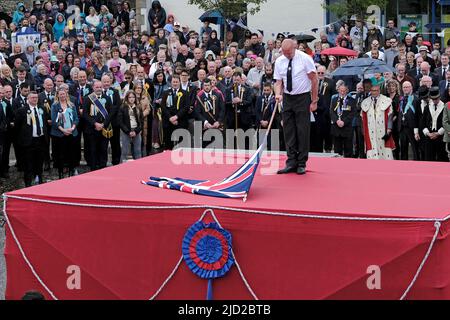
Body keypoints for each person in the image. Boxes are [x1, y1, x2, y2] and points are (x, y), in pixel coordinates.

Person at [274, 39, 318, 175]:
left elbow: (314, 79)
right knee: (288, 130)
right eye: (285, 53)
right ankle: (291, 160)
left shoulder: (305, 59)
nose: (287, 55)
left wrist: (314, 100)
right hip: (287, 97)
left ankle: (301, 162)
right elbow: (278, 82)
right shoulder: (280, 61)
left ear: (295, 47)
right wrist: (277, 94)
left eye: (289, 53)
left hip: (302, 97)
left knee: (302, 130)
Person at [14, 91, 49, 186]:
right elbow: (17, 128)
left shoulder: (42, 108)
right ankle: (28, 184)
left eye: (36, 97)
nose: (35, 99)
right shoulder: (21, 111)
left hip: (41, 140)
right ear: (28, 99)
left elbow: (45, 123)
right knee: (28, 165)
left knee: (39, 163)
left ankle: (39, 180)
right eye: (32, 98)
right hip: (29, 142)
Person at [82, 80, 115, 171]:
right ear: (93, 88)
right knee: (93, 150)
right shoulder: (88, 98)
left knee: (104, 150)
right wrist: (95, 124)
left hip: (104, 129)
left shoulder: (107, 98)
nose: (99, 89)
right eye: (97, 87)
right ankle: (93, 168)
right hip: (92, 129)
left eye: (100, 87)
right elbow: (85, 114)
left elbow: (111, 113)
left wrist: (104, 124)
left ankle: (103, 168)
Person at [361, 84, 395, 160]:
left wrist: (389, 129)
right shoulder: (365, 102)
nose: (374, 92)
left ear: (379, 91)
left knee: (384, 147)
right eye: (372, 91)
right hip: (371, 129)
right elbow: (363, 118)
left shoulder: (386, 100)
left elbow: (390, 115)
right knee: (372, 146)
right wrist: (363, 130)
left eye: (376, 90)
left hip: (383, 129)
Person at [51, 87, 79, 178]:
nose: (62, 95)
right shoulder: (55, 106)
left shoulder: (71, 105)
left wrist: (72, 128)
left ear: (66, 94)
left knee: (71, 153)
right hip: (60, 134)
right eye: (61, 94)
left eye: (64, 94)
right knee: (61, 154)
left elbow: (76, 118)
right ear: (58, 95)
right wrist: (63, 130)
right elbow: (54, 120)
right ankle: (61, 172)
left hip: (71, 132)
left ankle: (72, 170)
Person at [160, 75, 188, 150]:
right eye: (173, 82)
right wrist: (170, 118)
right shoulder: (166, 93)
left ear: (179, 82)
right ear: (171, 83)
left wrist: (176, 117)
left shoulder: (185, 93)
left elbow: (185, 107)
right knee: (168, 145)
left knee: (180, 146)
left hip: (180, 122)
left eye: (176, 82)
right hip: (168, 122)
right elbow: (163, 107)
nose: (175, 83)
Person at [194, 78, 224, 148]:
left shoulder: (218, 95)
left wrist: (219, 121)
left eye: (208, 85)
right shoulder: (199, 97)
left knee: (218, 147)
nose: (207, 87)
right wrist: (205, 122)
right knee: (206, 148)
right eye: (205, 85)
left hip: (217, 125)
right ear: (202, 86)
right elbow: (198, 112)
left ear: (211, 85)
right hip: (205, 126)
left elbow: (222, 110)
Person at [420, 87, 448, 162]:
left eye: (436, 98)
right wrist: (428, 133)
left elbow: (448, 122)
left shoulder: (445, 106)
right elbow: (422, 123)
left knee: (442, 158)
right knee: (429, 158)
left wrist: (438, 133)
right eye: (433, 99)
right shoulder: (427, 107)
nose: (435, 100)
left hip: (441, 137)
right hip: (429, 137)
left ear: (440, 97)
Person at [329, 83, 355, 158]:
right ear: (338, 90)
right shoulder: (334, 100)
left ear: (347, 91)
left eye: (344, 91)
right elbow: (331, 112)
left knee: (348, 150)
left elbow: (352, 113)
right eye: (341, 91)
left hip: (347, 129)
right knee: (337, 151)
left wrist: (344, 122)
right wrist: (337, 121)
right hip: (336, 128)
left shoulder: (352, 100)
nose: (342, 92)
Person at [397, 81, 419, 160]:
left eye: (407, 87)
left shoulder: (416, 99)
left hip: (412, 128)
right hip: (402, 127)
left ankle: (417, 165)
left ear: (411, 88)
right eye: (404, 87)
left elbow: (418, 115)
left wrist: (417, 129)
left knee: (415, 149)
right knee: (403, 149)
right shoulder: (401, 98)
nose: (405, 89)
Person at [119, 90, 143, 161]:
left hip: (136, 131)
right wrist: (128, 131)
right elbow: (120, 122)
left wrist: (136, 131)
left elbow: (141, 121)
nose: (132, 99)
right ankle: (122, 168)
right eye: (130, 97)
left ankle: (138, 168)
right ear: (127, 98)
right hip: (126, 131)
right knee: (124, 152)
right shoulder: (123, 107)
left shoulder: (138, 107)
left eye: (133, 97)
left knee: (138, 151)